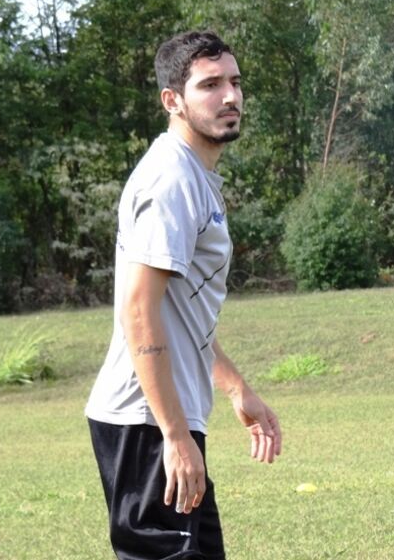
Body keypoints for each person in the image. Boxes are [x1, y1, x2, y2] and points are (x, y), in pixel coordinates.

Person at [85, 30, 282, 560]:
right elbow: (139, 310)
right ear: (172, 100)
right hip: (146, 423)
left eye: (235, 83)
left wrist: (238, 390)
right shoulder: (171, 178)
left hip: (164, 421)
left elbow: (182, 313)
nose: (231, 97)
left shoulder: (196, 176)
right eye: (210, 85)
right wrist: (174, 435)